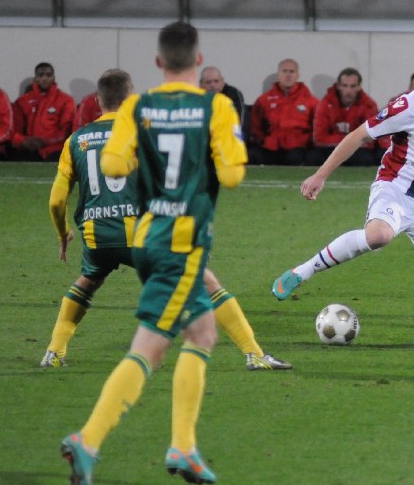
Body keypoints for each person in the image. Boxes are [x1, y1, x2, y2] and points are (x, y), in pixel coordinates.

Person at [60, 21, 248, 485]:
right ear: (199, 61)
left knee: (202, 332)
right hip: (180, 243)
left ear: (159, 63)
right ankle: (89, 439)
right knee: (149, 348)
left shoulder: (138, 107)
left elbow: (114, 165)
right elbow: (231, 176)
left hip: (147, 233)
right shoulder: (217, 106)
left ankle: (183, 445)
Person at [42, 69, 290, 373]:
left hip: (98, 236)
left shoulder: (75, 140)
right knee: (206, 282)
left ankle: (54, 351)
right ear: (132, 98)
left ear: (97, 100)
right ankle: (254, 354)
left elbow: (56, 200)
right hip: (144, 234)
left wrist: (62, 232)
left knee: (88, 281)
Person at [271, 47, 414, 347]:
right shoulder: (408, 105)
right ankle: (300, 272)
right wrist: (321, 174)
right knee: (378, 237)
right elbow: (359, 135)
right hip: (396, 189)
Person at [249, 58, 318, 165]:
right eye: (284, 71)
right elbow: (256, 125)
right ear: (278, 75)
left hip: (299, 147)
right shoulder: (264, 100)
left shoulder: (311, 101)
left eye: (292, 72)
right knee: (250, 156)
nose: (288, 75)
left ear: (297, 75)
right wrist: (263, 140)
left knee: (297, 158)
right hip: (270, 146)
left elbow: (317, 127)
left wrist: (307, 142)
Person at [311, 67, 379, 166]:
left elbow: (369, 140)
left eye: (352, 86)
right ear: (338, 86)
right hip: (331, 149)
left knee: (367, 158)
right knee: (313, 157)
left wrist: (344, 141)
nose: (348, 90)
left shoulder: (369, 105)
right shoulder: (325, 104)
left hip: (357, 151)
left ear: (359, 87)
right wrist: (351, 140)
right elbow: (319, 138)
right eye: (345, 86)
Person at [10, 62, 75, 161]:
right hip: (29, 147)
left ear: (53, 77)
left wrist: (46, 141)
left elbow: (67, 131)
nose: (44, 78)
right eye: (40, 75)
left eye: (48, 75)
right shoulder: (22, 101)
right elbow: (14, 129)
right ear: (35, 78)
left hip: (55, 148)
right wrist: (23, 141)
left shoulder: (65, 100)